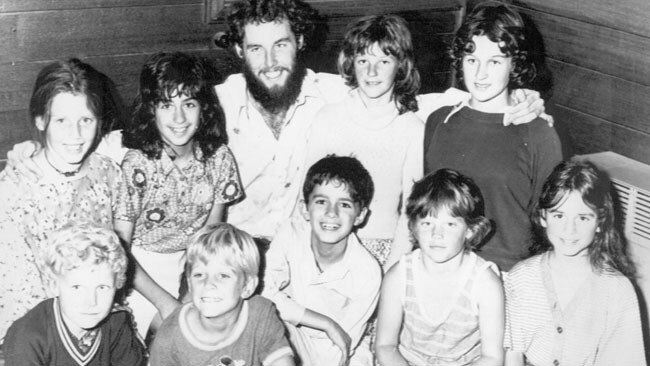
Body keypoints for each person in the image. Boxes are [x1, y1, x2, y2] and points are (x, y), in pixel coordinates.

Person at [5, 0, 548, 244]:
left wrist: (520, 97)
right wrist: (37, 149)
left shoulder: (333, 92)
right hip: (231, 251)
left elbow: (426, 102)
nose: (270, 61)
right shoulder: (212, 102)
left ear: (301, 45)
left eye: (282, 44)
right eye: (256, 48)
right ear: (238, 50)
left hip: (308, 246)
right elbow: (129, 136)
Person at [423, 2, 562, 271]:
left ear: (514, 64)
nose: (480, 73)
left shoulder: (538, 132)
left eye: (495, 61)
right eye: (472, 59)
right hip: (443, 268)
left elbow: (550, 224)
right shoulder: (438, 121)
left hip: (510, 273)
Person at [112, 52, 243, 338]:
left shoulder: (219, 158)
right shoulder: (138, 163)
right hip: (139, 272)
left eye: (189, 104)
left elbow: (210, 236)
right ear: (151, 110)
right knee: (170, 335)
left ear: (203, 108)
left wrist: (190, 294)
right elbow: (119, 248)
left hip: (193, 264)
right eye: (166, 105)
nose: (179, 118)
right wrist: (165, 303)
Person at [0, 59, 122, 341]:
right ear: (41, 120)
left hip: (101, 322)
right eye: (62, 120)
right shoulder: (13, 189)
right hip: (36, 337)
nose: (76, 135)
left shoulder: (109, 174)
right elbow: (17, 298)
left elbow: (116, 269)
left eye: (86, 120)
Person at [304, 15, 422, 270]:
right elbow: (305, 196)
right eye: (363, 60)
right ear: (351, 63)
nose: (372, 72)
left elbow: (410, 213)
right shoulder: (328, 118)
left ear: (400, 65)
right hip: (327, 241)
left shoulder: (412, 128)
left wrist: (392, 271)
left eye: (384, 61)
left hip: (385, 249)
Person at [504, 161, 646, 366]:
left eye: (583, 218)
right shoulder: (521, 278)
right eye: (559, 215)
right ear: (543, 217)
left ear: (600, 221)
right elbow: (513, 355)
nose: (569, 229)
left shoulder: (617, 290)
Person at [375, 169, 504, 366]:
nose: (437, 234)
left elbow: (492, 357)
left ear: (470, 230)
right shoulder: (399, 276)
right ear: (413, 227)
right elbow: (385, 346)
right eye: (427, 223)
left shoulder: (485, 282)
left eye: (450, 224)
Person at [263, 155, 382, 366]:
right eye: (321, 201)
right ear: (304, 208)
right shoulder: (291, 234)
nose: (331, 213)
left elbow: (343, 345)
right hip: (291, 332)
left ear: (360, 215)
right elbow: (264, 293)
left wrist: (331, 330)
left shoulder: (367, 272)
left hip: (340, 350)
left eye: (344, 205)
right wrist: (326, 323)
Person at [150, 223, 295, 366]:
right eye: (199, 275)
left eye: (223, 275)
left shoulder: (261, 313)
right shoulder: (170, 336)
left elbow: (280, 360)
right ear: (189, 283)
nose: (208, 284)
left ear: (247, 286)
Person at [3, 224, 146, 366]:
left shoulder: (117, 321)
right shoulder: (27, 337)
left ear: (118, 284)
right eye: (77, 287)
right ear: (54, 285)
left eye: (102, 287)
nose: (91, 301)